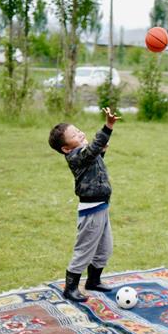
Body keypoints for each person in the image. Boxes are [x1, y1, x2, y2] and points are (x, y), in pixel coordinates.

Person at [48, 108, 121, 302]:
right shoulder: (74, 156)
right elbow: (91, 151)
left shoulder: (84, 155)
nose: (80, 133)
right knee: (85, 250)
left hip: (102, 207)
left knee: (105, 248)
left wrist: (101, 151)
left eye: (78, 130)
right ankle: (70, 288)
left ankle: (93, 281)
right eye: (74, 135)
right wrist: (108, 127)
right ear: (66, 148)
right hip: (91, 210)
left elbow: (94, 159)